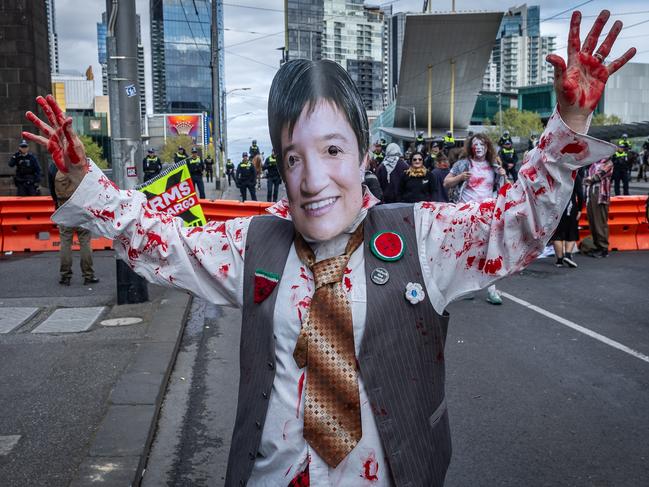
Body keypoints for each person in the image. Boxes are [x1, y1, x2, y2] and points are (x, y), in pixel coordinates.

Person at [23, 14, 635, 484]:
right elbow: (168, 242)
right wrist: (91, 187)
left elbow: (520, 224)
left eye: (334, 151)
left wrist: (568, 127)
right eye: (294, 158)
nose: (314, 181)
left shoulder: (424, 236)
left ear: (365, 154)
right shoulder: (256, 243)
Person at [444, 133, 507, 305]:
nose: (479, 148)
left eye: (482, 145)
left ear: (487, 147)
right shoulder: (463, 164)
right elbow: (446, 182)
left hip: (488, 214)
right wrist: (459, 178)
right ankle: (468, 288)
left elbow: (504, 188)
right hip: (466, 214)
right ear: (470, 147)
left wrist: (503, 175)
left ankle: (492, 289)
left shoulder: (494, 165)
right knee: (467, 251)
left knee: (490, 251)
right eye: (475, 144)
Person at [47, 161, 99, 286]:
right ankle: (88, 275)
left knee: (65, 242)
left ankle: (65, 276)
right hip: (81, 206)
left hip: (64, 207)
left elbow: (52, 189)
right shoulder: (81, 162)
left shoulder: (54, 165)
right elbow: (91, 185)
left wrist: (58, 205)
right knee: (85, 241)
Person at [550, 170, 584, 268]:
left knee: (557, 234)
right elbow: (580, 194)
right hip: (571, 205)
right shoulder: (575, 175)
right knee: (572, 231)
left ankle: (559, 260)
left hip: (557, 206)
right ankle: (568, 255)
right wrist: (580, 209)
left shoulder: (555, 173)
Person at [584, 158, 614, 258]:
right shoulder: (594, 163)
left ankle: (603, 248)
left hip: (600, 196)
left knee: (599, 222)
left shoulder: (608, 163)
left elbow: (598, 176)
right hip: (591, 194)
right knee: (593, 222)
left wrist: (589, 179)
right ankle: (598, 246)